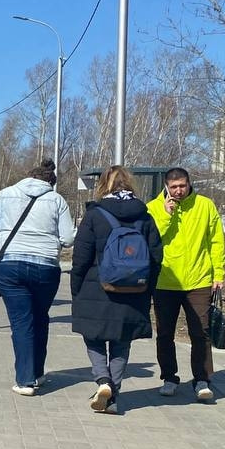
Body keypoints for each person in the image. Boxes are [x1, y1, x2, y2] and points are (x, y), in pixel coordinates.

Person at [0, 159, 75, 396]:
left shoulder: (4, 195)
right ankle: (37, 373)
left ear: (29, 176)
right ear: (50, 181)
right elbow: (68, 238)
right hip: (46, 267)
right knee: (40, 318)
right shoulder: (57, 200)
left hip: (10, 265)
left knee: (22, 322)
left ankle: (25, 380)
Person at [69, 166, 163, 414]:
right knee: (122, 342)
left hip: (97, 287)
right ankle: (114, 396)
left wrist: (76, 288)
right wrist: (147, 289)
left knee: (94, 337)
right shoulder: (145, 216)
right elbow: (156, 256)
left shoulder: (95, 214)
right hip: (133, 291)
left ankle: (103, 382)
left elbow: (81, 256)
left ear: (103, 185)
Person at [147, 167, 225, 401]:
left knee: (200, 332)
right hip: (165, 281)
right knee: (164, 333)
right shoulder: (153, 207)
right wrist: (165, 214)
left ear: (189, 183)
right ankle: (169, 378)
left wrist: (218, 273)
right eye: (174, 187)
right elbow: (151, 239)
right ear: (166, 187)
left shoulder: (205, 205)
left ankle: (202, 379)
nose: (179, 191)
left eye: (182, 185)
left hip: (198, 280)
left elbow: (216, 241)